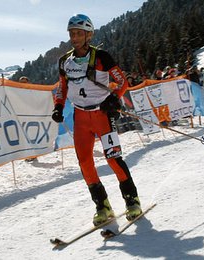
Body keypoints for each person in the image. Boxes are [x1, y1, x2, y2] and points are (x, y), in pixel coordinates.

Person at [51, 14, 141, 226]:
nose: (75, 37)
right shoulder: (65, 61)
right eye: (72, 33)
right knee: (84, 162)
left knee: (112, 159)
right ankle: (102, 205)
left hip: (102, 115)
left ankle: (132, 200)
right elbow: (63, 87)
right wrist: (58, 107)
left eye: (79, 33)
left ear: (89, 35)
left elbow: (122, 81)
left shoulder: (101, 57)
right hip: (80, 118)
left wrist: (113, 97)